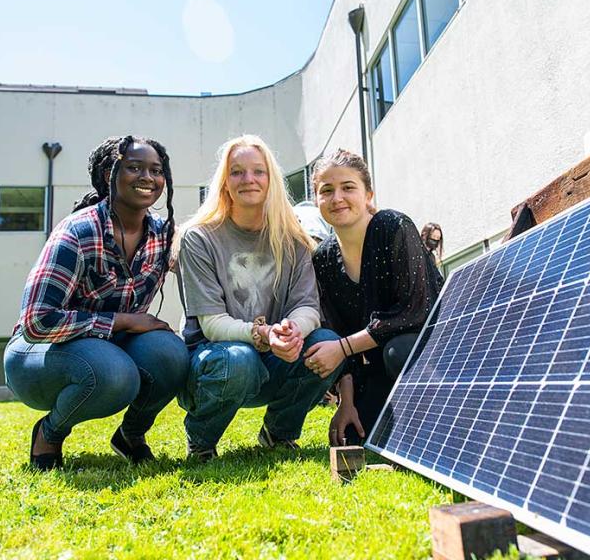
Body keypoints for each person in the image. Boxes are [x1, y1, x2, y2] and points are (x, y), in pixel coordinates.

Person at [4, 135, 189, 471]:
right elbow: (37, 322)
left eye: (156, 169)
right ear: (110, 174)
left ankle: (131, 435)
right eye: (134, 167)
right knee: (114, 373)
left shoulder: (162, 235)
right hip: (37, 353)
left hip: (107, 346)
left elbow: (208, 250)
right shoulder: (77, 232)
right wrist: (124, 321)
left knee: (171, 354)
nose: (148, 177)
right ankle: (49, 433)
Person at [175, 134, 343, 460]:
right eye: (237, 172)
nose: (248, 179)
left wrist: (293, 330)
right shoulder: (199, 238)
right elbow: (212, 324)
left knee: (325, 341)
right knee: (240, 358)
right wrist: (264, 333)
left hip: (274, 360)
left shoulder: (292, 239)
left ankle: (278, 434)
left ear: (271, 181)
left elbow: (307, 305)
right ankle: (202, 441)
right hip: (214, 365)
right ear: (224, 183)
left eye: (258, 171)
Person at [307, 149, 444, 447]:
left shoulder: (393, 226)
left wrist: (342, 348)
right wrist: (346, 401)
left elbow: (414, 313)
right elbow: (337, 330)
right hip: (377, 362)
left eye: (348, 187)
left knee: (398, 351)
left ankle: (443, 417)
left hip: (430, 351)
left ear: (368, 194)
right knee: (356, 434)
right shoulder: (323, 259)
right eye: (326, 190)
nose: (337, 198)